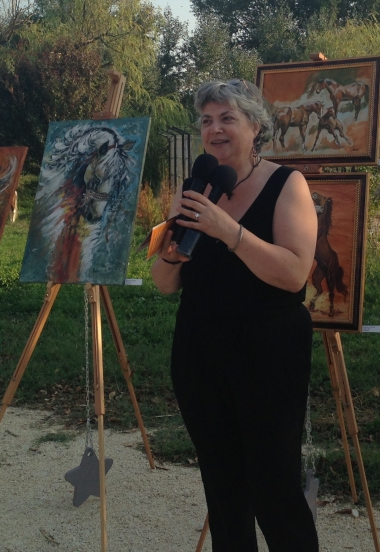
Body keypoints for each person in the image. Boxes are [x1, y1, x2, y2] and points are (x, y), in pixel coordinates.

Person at [151, 79, 319, 552]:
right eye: (207, 120)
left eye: (227, 118)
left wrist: (230, 232)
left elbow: (294, 274)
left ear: (256, 126)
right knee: (223, 490)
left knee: (274, 488)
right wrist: (170, 257)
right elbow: (164, 283)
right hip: (200, 351)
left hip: (269, 354)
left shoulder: (287, 184)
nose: (215, 129)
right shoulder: (195, 188)